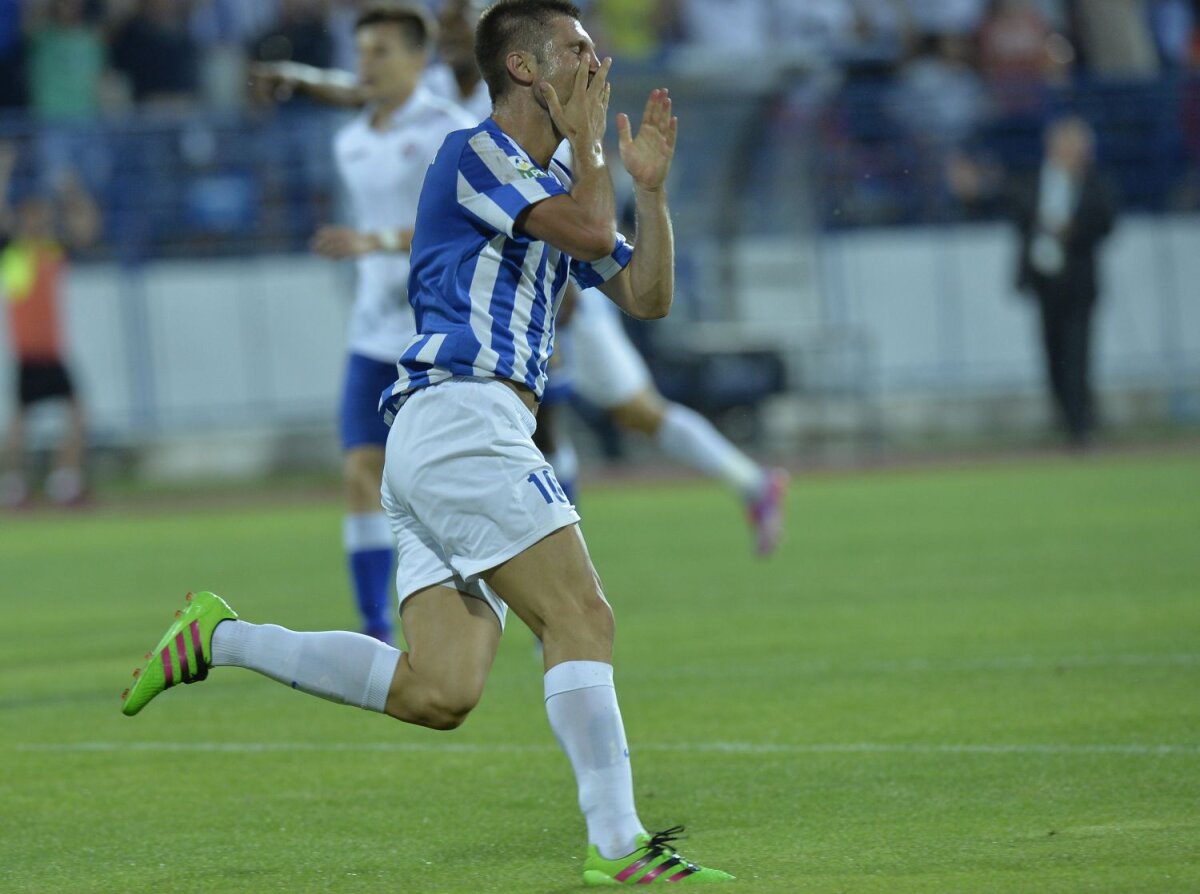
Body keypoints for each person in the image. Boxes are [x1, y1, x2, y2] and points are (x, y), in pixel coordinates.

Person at [121, 1, 733, 886]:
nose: (596, 62)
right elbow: (595, 234)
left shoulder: (559, 176)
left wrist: (657, 188)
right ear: (524, 70)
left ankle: (221, 638)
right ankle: (618, 847)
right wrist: (596, 155)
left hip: (435, 435)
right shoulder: (475, 153)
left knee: (438, 691)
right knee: (580, 617)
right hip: (464, 422)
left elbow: (646, 296)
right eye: (576, 49)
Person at [253, 4, 476, 644]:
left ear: (418, 58)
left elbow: (462, 221)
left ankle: (484, 594)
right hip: (373, 329)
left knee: (441, 479)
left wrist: (373, 239)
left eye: (381, 52)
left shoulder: (450, 130)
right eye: (362, 52)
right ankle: (374, 623)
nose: (366, 65)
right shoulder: (350, 137)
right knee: (358, 470)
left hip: (439, 330)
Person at [564, 282, 788, 555]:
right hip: (551, 303)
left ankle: (753, 482)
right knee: (627, 415)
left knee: (638, 412)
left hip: (561, 305)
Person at [1, 142, 100, 508]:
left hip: (53, 348)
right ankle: (15, 485)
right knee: (22, 422)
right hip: (29, 349)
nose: (38, 222)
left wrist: (73, 192)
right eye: (32, 216)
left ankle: (64, 481)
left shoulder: (52, 249)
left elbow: (87, 230)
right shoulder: (12, 253)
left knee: (74, 414)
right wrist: (4, 172)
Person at [1010, 115, 1116, 448]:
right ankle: (1065, 415)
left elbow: (1108, 219)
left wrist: (1075, 227)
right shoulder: (1033, 180)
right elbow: (1018, 211)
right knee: (1053, 351)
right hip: (1044, 281)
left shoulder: (1092, 182)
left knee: (1078, 352)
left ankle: (1079, 426)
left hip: (1079, 280)